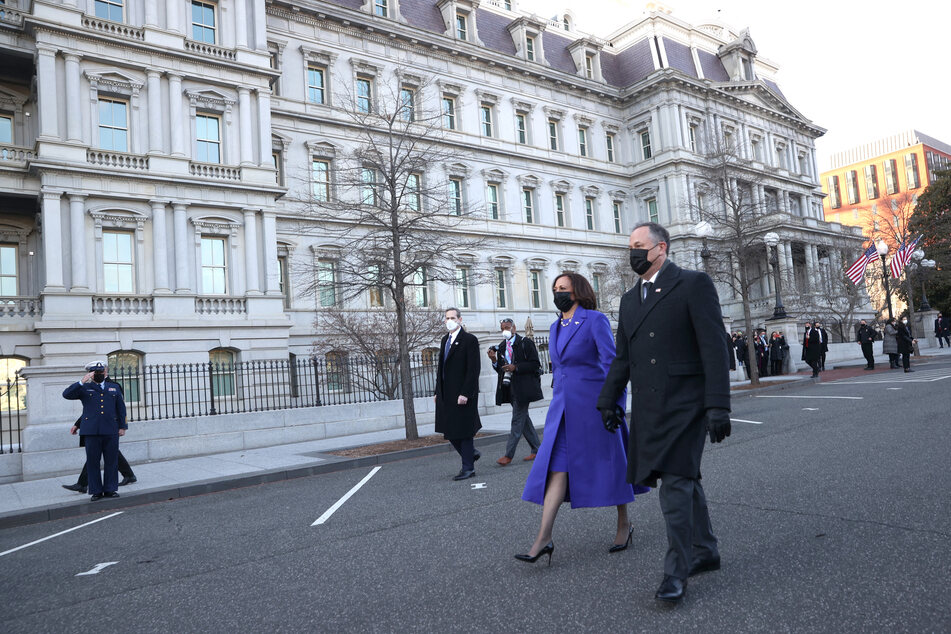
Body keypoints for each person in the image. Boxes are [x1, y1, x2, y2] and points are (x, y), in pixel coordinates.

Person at [597, 222, 731, 605]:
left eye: (639, 246)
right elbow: (623, 358)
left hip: (686, 404)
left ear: (661, 248)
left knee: (674, 483)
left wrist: (718, 404)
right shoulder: (628, 299)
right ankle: (705, 549)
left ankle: (677, 570)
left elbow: (714, 347)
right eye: (630, 247)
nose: (633, 253)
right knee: (685, 479)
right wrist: (609, 401)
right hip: (650, 407)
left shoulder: (693, 284)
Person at [518, 272, 644, 566]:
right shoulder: (554, 326)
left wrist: (615, 404)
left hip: (594, 407)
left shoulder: (594, 320)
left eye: (563, 288)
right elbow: (559, 370)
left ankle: (624, 523)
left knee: (611, 464)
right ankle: (543, 539)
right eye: (555, 288)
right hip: (562, 410)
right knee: (558, 470)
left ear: (577, 291)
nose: (557, 292)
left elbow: (611, 363)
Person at [62, 361, 128, 501]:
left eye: (101, 372)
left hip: (111, 430)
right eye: (96, 373)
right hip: (91, 431)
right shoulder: (84, 388)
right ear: (91, 374)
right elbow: (66, 394)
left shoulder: (114, 387)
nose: (99, 374)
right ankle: (96, 491)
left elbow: (121, 409)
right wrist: (81, 381)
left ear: (105, 373)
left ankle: (110, 489)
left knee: (111, 461)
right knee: (93, 462)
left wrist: (122, 427)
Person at [434, 308, 482, 480]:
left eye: (453, 318)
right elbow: (441, 369)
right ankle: (471, 454)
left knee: (464, 431)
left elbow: (473, 369)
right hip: (447, 394)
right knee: (449, 430)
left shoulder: (469, 340)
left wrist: (466, 393)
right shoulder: (444, 340)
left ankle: (468, 468)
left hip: (462, 394)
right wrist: (437, 391)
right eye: (447, 318)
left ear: (460, 319)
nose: (449, 321)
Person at [487, 319, 543, 466]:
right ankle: (538, 449)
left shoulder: (525, 342)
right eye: (502, 328)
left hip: (524, 388)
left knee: (517, 420)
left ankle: (508, 455)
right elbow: (500, 368)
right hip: (509, 388)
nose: (504, 330)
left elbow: (534, 364)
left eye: (507, 327)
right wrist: (494, 360)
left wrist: (515, 367)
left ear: (514, 328)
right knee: (524, 420)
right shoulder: (502, 346)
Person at [62, 414, 137, 494]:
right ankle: (129, 475)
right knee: (106, 454)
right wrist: (77, 424)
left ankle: (82, 484)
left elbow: (119, 409)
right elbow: (91, 409)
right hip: (99, 426)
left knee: (95, 456)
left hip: (108, 426)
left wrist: (123, 426)